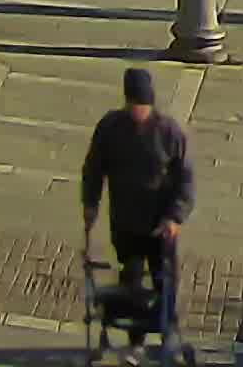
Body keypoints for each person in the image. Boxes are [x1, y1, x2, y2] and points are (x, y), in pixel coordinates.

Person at [80, 67, 193, 351]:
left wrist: (175, 217)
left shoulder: (169, 133)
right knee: (130, 285)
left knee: (165, 281)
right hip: (125, 222)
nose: (138, 112)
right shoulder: (110, 128)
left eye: (143, 106)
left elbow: (185, 180)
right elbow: (94, 169)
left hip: (160, 225)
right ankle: (136, 340)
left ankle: (168, 331)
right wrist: (90, 203)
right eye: (134, 105)